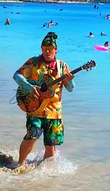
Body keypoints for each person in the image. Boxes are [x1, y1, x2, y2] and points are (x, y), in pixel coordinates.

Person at [13, 32, 75, 166]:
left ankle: (44, 173)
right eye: (45, 49)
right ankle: (20, 165)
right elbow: (17, 75)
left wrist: (69, 81)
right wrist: (29, 87)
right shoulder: (33, 62)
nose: (47, 52)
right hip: (35, 107)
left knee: (50, 144)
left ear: (55, 50)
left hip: (54, 111)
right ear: (41, 49)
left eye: (50, 49)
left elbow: (70, 88)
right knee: (31, 136)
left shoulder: (62, 66)